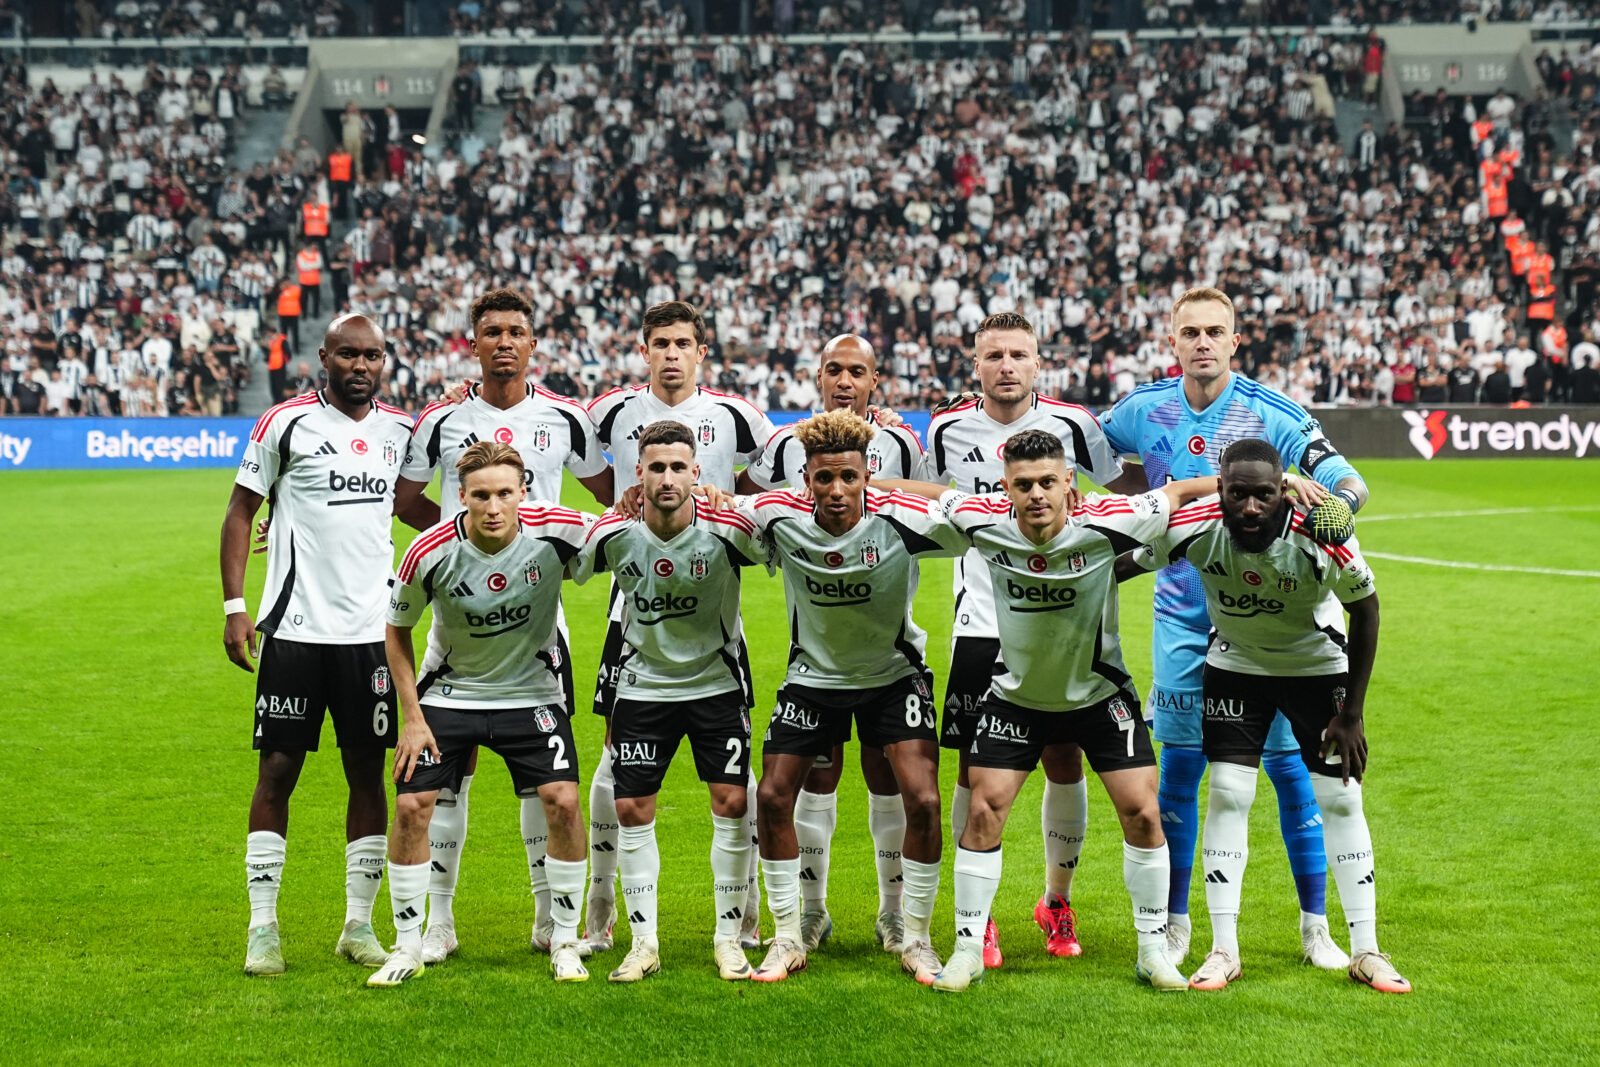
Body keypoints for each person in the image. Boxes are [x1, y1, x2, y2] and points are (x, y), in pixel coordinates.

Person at [882, 429, 1215, 993]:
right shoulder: (984, 520)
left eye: (1047, 483)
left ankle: (1153, 951)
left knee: (1142, 813)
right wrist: (866, 484)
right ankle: (966, 950)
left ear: (1069, 485)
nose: (1036, 495)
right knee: (983, 812)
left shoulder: (1112, 520)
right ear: (1005, 488)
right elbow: (920, 495)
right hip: (1017, 698)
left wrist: (1277, 482)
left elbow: (1181, 491)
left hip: (1099, 697)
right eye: (1023, 485)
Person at [1099, 286, 1369, 970]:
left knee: (1288, 769)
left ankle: (1316, 928)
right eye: (1189, 331)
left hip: (1274, 623)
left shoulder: (1272, 413)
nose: (1202, 343)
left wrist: (1323, 498)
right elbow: (1081, 450)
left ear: (1234, 339)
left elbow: (1352, 488)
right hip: (1183, 623)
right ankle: (1179, 923)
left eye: (1214, 331)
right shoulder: (1141, 409)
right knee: (1186, 771)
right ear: (1171, 338)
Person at [1115, 439, 1411, 995]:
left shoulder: (1321, 532)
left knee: (1342, 797)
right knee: (1227, 791)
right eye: (1237, 494)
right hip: (1236, 665)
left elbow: (1366, 610)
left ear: (1284, 490)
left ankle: (1367, 950)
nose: (1250, 507)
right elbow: (1128, 564)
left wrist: (1352, 712)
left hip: (1317, 667)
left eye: (1264, 495)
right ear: (1219, 488)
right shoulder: (1195, 525)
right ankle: (1224, 949)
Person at [397, 287, 614, 965]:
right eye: (491, 331)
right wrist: (460, 546)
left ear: (532, 342)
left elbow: (609, 497)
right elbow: (407, 497)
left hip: (538, 633)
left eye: (516, 331)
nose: (504, 342)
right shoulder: (440, 419)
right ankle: (437, 922)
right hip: (459, 629)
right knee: (444, 784)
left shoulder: (565, 417)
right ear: (474, 341)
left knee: (542, 782)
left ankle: (551, 916)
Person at [925, 311, 1141, 968]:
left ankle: (1056, 898)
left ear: (1037, 360)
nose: (1007, 366)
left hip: (1062, 620)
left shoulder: (1074, 424)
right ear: (976, 363)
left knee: (1064, 757)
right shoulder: (945, 428)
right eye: (995, 355)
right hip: (981, 620)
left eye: (1019, 353)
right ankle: (977, 917)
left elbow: (1124, 492)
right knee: (972, 766)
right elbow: (938, 506)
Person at [220, 314, 420, 977]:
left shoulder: (400, 432)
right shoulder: (284, 423)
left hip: (371, 636)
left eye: (373, 356)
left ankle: (358, 924)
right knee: (277, 770)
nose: (361, 365)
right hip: (296, 632)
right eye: (349, 354)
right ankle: (263, 927)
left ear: (384, 362)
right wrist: (235, 605)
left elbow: (412, 506)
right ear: (324, 357)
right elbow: (240, 509)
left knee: (368, 772)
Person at [738, 410, 969, 984]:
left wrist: (891, 485)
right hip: (813, 680)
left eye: (849, 477)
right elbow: (710, 512)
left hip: (893, 676)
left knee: (924, 801)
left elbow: (960, 501)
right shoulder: (776, 517)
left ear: (867, 474)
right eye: (823, 479)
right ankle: (789, 934)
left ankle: (914, 934)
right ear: (805, 480)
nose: (836, 491)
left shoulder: (902, 519)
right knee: (770, 797)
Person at [585, 301, 775, 951]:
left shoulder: (736, 415)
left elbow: (778, 472)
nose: (671, 353)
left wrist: (731, 500)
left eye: (683, 343)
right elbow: (586, 479)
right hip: (631, 607)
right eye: (660, 342)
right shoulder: (609, 410)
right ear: (644, 350)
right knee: (615, 771)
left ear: (702, 352)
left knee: (734, 781)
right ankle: (602, 910)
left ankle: (744, 917)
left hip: (713, 609)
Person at [370, 441, 596, 986]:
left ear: (524, 492)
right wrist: (413, 717)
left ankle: (563, 938)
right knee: (411, 806)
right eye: (479, 496)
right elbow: (396, 633)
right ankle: (410, 943)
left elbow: (623, 532)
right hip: (452, 693)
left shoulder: (559, 531)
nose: (493, 507)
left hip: (533, 692)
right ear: (461, 498)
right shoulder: (429, 550)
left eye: (503, 494)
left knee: (563, 801)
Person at [741, 333, 929, 956]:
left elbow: (932, 503)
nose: (845, 380)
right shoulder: (784, 444)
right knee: (813, 780)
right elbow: (749, 504)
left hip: (885, 638)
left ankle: (897, 915)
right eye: (834, 370)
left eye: (858, 371)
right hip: (813, 646)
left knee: (888, 777)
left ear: (875, 380)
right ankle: (809, 914)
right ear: (817, 375)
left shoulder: (903, 440)